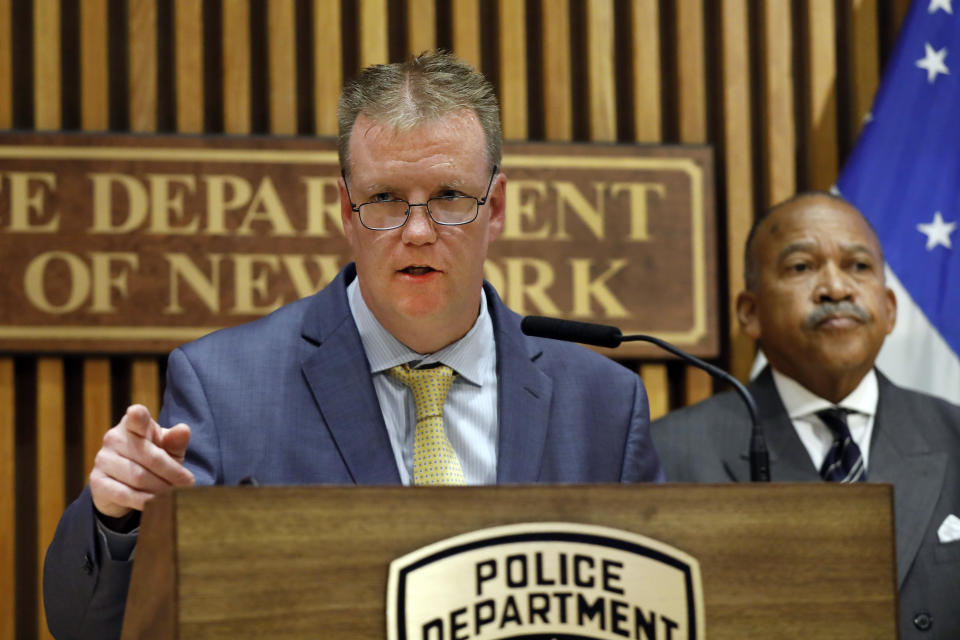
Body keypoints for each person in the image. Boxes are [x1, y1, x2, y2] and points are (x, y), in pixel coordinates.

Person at [43, 51, 663, 639]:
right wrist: (117, 519)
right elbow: (89, 626)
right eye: (386, 199)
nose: (417, 232)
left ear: (494, 207)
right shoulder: (225, 386)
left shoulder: (603, 405)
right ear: (345, 206)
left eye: (449, 197)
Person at [651, 192, 960, 639]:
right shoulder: (669, 453)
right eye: (801, 267)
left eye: (859, 266)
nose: (836, 288)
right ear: (749, 312)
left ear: (890, 309)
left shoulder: (954, 436)